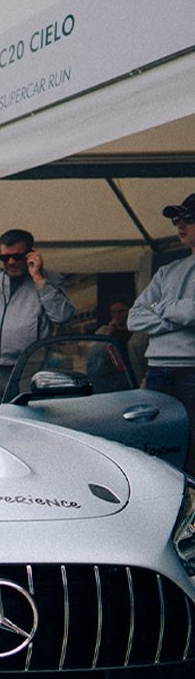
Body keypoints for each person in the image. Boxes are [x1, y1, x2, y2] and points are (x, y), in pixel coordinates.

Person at [0, 228, 75, 408]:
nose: (11, 262)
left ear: (31, 254)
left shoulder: (49, 279)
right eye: (5, 257)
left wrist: (40, 280)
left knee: (24, 423)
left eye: (18, 257)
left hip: (26, 367)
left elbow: (63, 316)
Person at [130, 193, 195, 473]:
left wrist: (160, 308)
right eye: (176, 219)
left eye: (188, 219)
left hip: (191, 371)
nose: (180, 225)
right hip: (157, 369)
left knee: (191, 449)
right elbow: (134, 317)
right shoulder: (167, 271)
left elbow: (193, 312)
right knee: (155, 448)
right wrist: (177, 316)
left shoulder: (165, 275)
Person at [96, 300, 148, 384]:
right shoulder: (105, 331)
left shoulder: (138, 333)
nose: (117, 315)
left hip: (134, 374)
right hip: (112, 376)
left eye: (121, 311)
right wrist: (108, 332)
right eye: (114, 312)